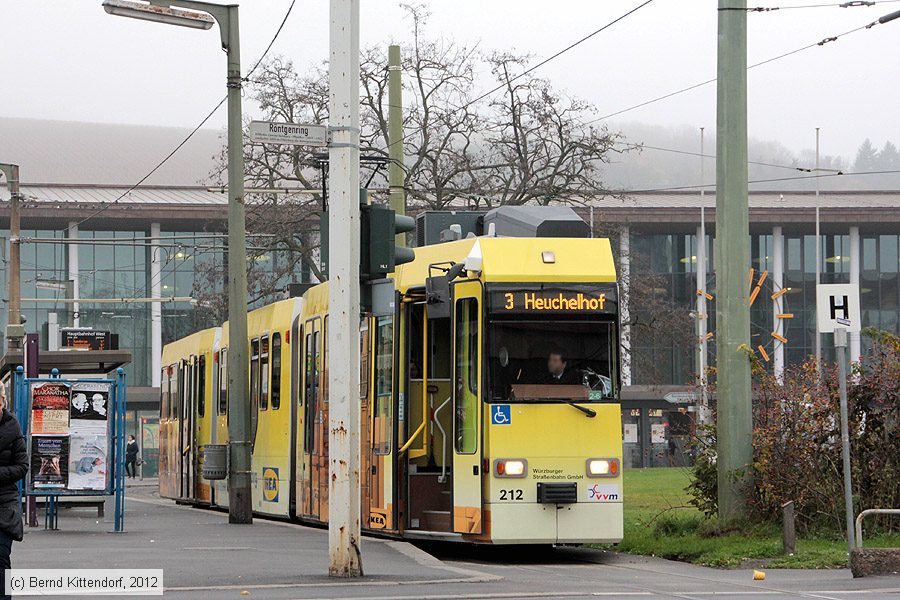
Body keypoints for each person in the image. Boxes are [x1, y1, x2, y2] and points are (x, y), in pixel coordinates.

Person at [0, 385, 28, 600]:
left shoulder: (12, 427)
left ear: (2, 402)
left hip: (4, 504)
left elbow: (22, 466)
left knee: (1, 559)